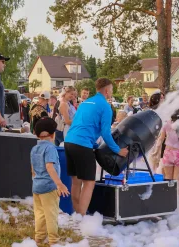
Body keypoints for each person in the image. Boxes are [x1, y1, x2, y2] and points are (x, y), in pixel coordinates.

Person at [64, 78, 128, 215]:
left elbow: (79, 123)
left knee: (76, 181)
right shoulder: (105, 106)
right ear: (106, 90)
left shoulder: (85, 103)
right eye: (111, 90)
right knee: (89, 182)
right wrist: (118, 150)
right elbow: (106, 133)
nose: (111, 92)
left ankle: (75, 215)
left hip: (69, 141)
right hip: (82, 144)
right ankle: (81, 218)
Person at [30, 117, 70, 245]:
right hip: (49, 188)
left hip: (36, 187)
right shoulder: (50, 148)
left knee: (40, 214)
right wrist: (60, 184)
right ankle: (54, 241)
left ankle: (39, 239)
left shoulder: (34, 149)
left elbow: (33, 169)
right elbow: (49, 166)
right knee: (51, 215)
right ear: (53, 135)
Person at [156, 110, 179, 182]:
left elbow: (160, 139)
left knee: (168, 178)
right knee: (177, 180)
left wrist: (156, 150)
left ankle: (169, 193)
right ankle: (177, 193)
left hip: (168, 153)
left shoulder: (167, 124)